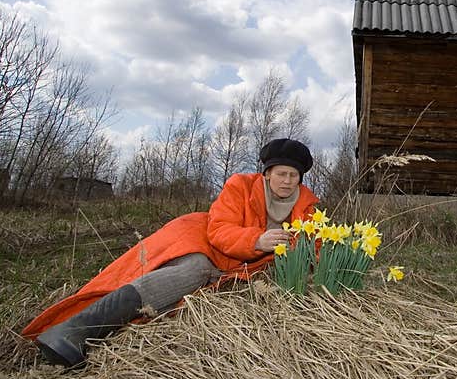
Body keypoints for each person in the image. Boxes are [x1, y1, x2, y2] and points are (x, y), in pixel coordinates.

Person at [22, 138, 318, 367]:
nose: (287, 181)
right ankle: (75, 331)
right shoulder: (240, 186)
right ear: (266, 174)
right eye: (281, 173)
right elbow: (220, 230)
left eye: (294, 175)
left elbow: (312, 245)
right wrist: (257, 240)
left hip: (234, 266)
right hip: (200, 240)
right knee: (195, 271)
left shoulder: (306, 207)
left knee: (200, 285)